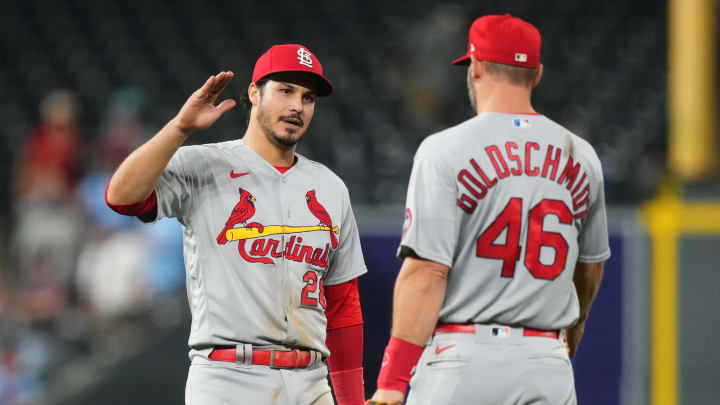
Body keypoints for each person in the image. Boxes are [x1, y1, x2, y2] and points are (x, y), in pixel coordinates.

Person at [366, 14, 610, 405]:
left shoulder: (445, 148)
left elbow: (427, 272)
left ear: (475, 67)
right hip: (546, 362)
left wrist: (392, 381)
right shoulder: (582, 155)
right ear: (537, 73)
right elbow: (591, 264)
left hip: (463, 359)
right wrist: (576, 324)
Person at [105, 44, 367, 405]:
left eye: (308, 97)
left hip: (311, 381)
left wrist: (353, 400)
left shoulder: (330, 187)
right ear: (255, 93)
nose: (297, 106)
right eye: (286, 90)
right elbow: (122, 198)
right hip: (229, 378)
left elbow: (343, 303)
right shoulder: (204, 164)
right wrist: (180, 127)